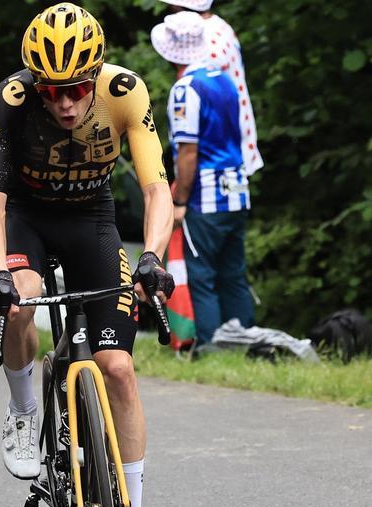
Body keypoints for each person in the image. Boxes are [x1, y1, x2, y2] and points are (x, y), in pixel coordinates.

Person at [0, 3, 175, 507]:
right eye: (53, 90)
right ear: (37, 84)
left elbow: (156, 188)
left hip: (92, 219)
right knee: (21, 307)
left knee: (117, 368)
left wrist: (153, 257)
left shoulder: (126, 93)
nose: (65, 103)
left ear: (96, 77)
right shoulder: (9, 102)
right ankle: (22, 410)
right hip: (27, 221)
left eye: (76, 90)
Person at [153, 12, 254, 349]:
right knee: (234, 274)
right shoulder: (224, 78)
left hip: (206, 195)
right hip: (237, 190)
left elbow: (188, 152)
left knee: (203, 276)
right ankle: (245, 340)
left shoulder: (185, 89)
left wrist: (179, 200)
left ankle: (212, 346)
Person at [159, 0, 261, 176]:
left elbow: (200, 108)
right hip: (233, 143)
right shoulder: (219, 25)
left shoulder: (198, 41)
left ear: (177, 7)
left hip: (217, 155)